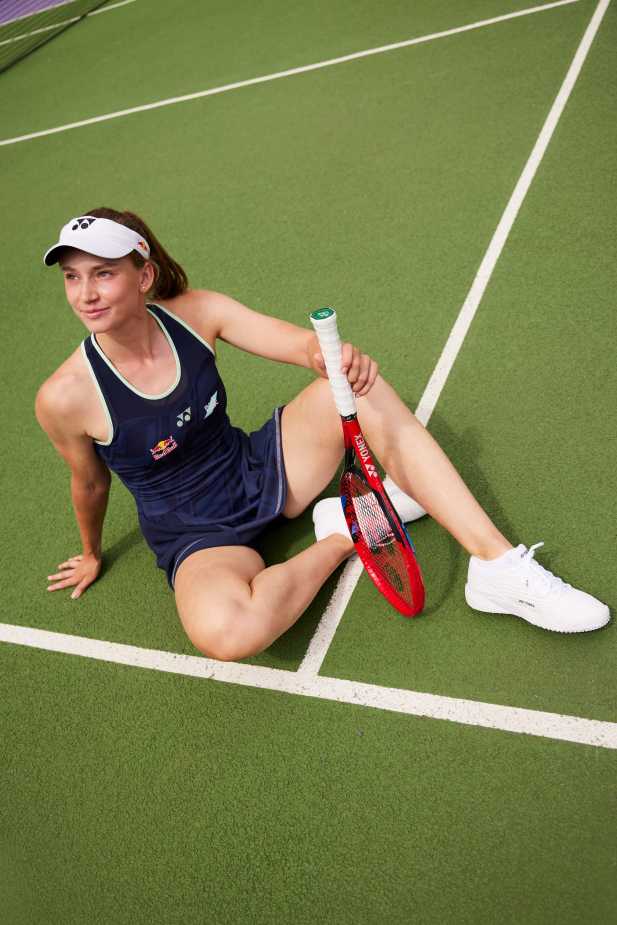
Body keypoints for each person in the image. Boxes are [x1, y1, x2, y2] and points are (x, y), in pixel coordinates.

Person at [35, 209, 609, 660]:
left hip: (261, 470)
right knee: (229, 634)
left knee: (353, 387)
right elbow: (88, 485)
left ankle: (497, 567)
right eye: (73, 277)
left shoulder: (196, 313)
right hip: (195, 533)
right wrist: (90, 552)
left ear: (144, 275)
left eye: (103, 273)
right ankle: (347, 532)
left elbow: (299, 346)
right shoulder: (66, 396)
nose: (85, 294)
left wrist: (332, 359)